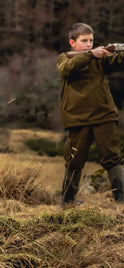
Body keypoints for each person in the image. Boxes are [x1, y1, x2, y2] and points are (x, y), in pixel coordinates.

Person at [57, 22, 124, 206]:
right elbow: (66, 70)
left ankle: (121, 201)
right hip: (77, 118)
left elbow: (120, 61)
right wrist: (89, 55)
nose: (89, 44)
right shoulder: (64, 58)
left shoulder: (100, 59)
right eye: (84, 40)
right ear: (72, 42)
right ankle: (67, 202)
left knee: (112, 158)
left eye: (91, 41)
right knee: (74, 161)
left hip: (104, 116)